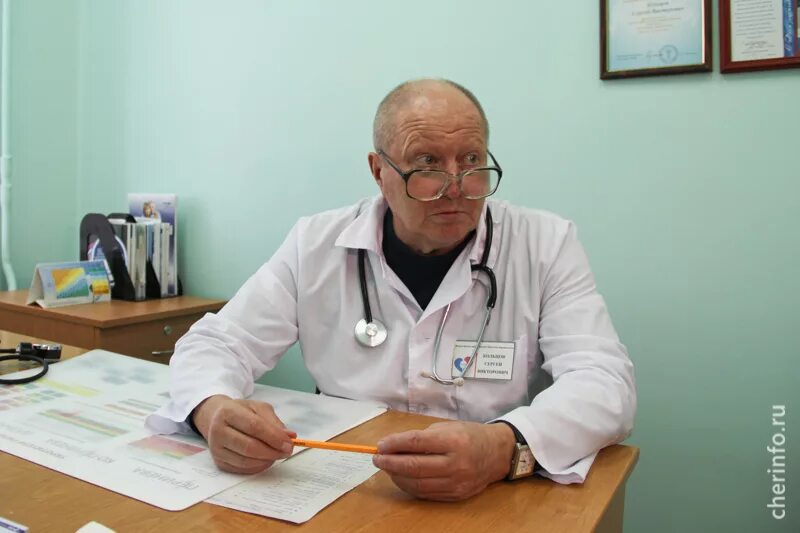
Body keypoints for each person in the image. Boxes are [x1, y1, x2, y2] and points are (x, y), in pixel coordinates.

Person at [148, 78, 636, 501]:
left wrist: (503, 446)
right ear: (379, 172)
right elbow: (217, 344)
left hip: (491, 490)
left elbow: (604, 382)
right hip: (347, 482)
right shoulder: (315, 243)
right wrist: (212, 409)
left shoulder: (545, 244)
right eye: (427, 164)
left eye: (471, 160)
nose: (456, 186)